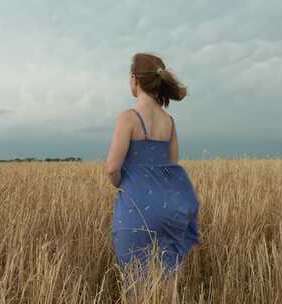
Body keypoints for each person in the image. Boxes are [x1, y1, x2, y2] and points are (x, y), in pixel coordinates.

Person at [105, 53, 200, 303]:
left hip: (136, 209)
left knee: (135, 285)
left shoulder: (128, 118)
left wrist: (123, 183)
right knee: (169, 283)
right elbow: (171, 166)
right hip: (169, 210)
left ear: (134, 80)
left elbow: (112, 168)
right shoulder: (169, 121)